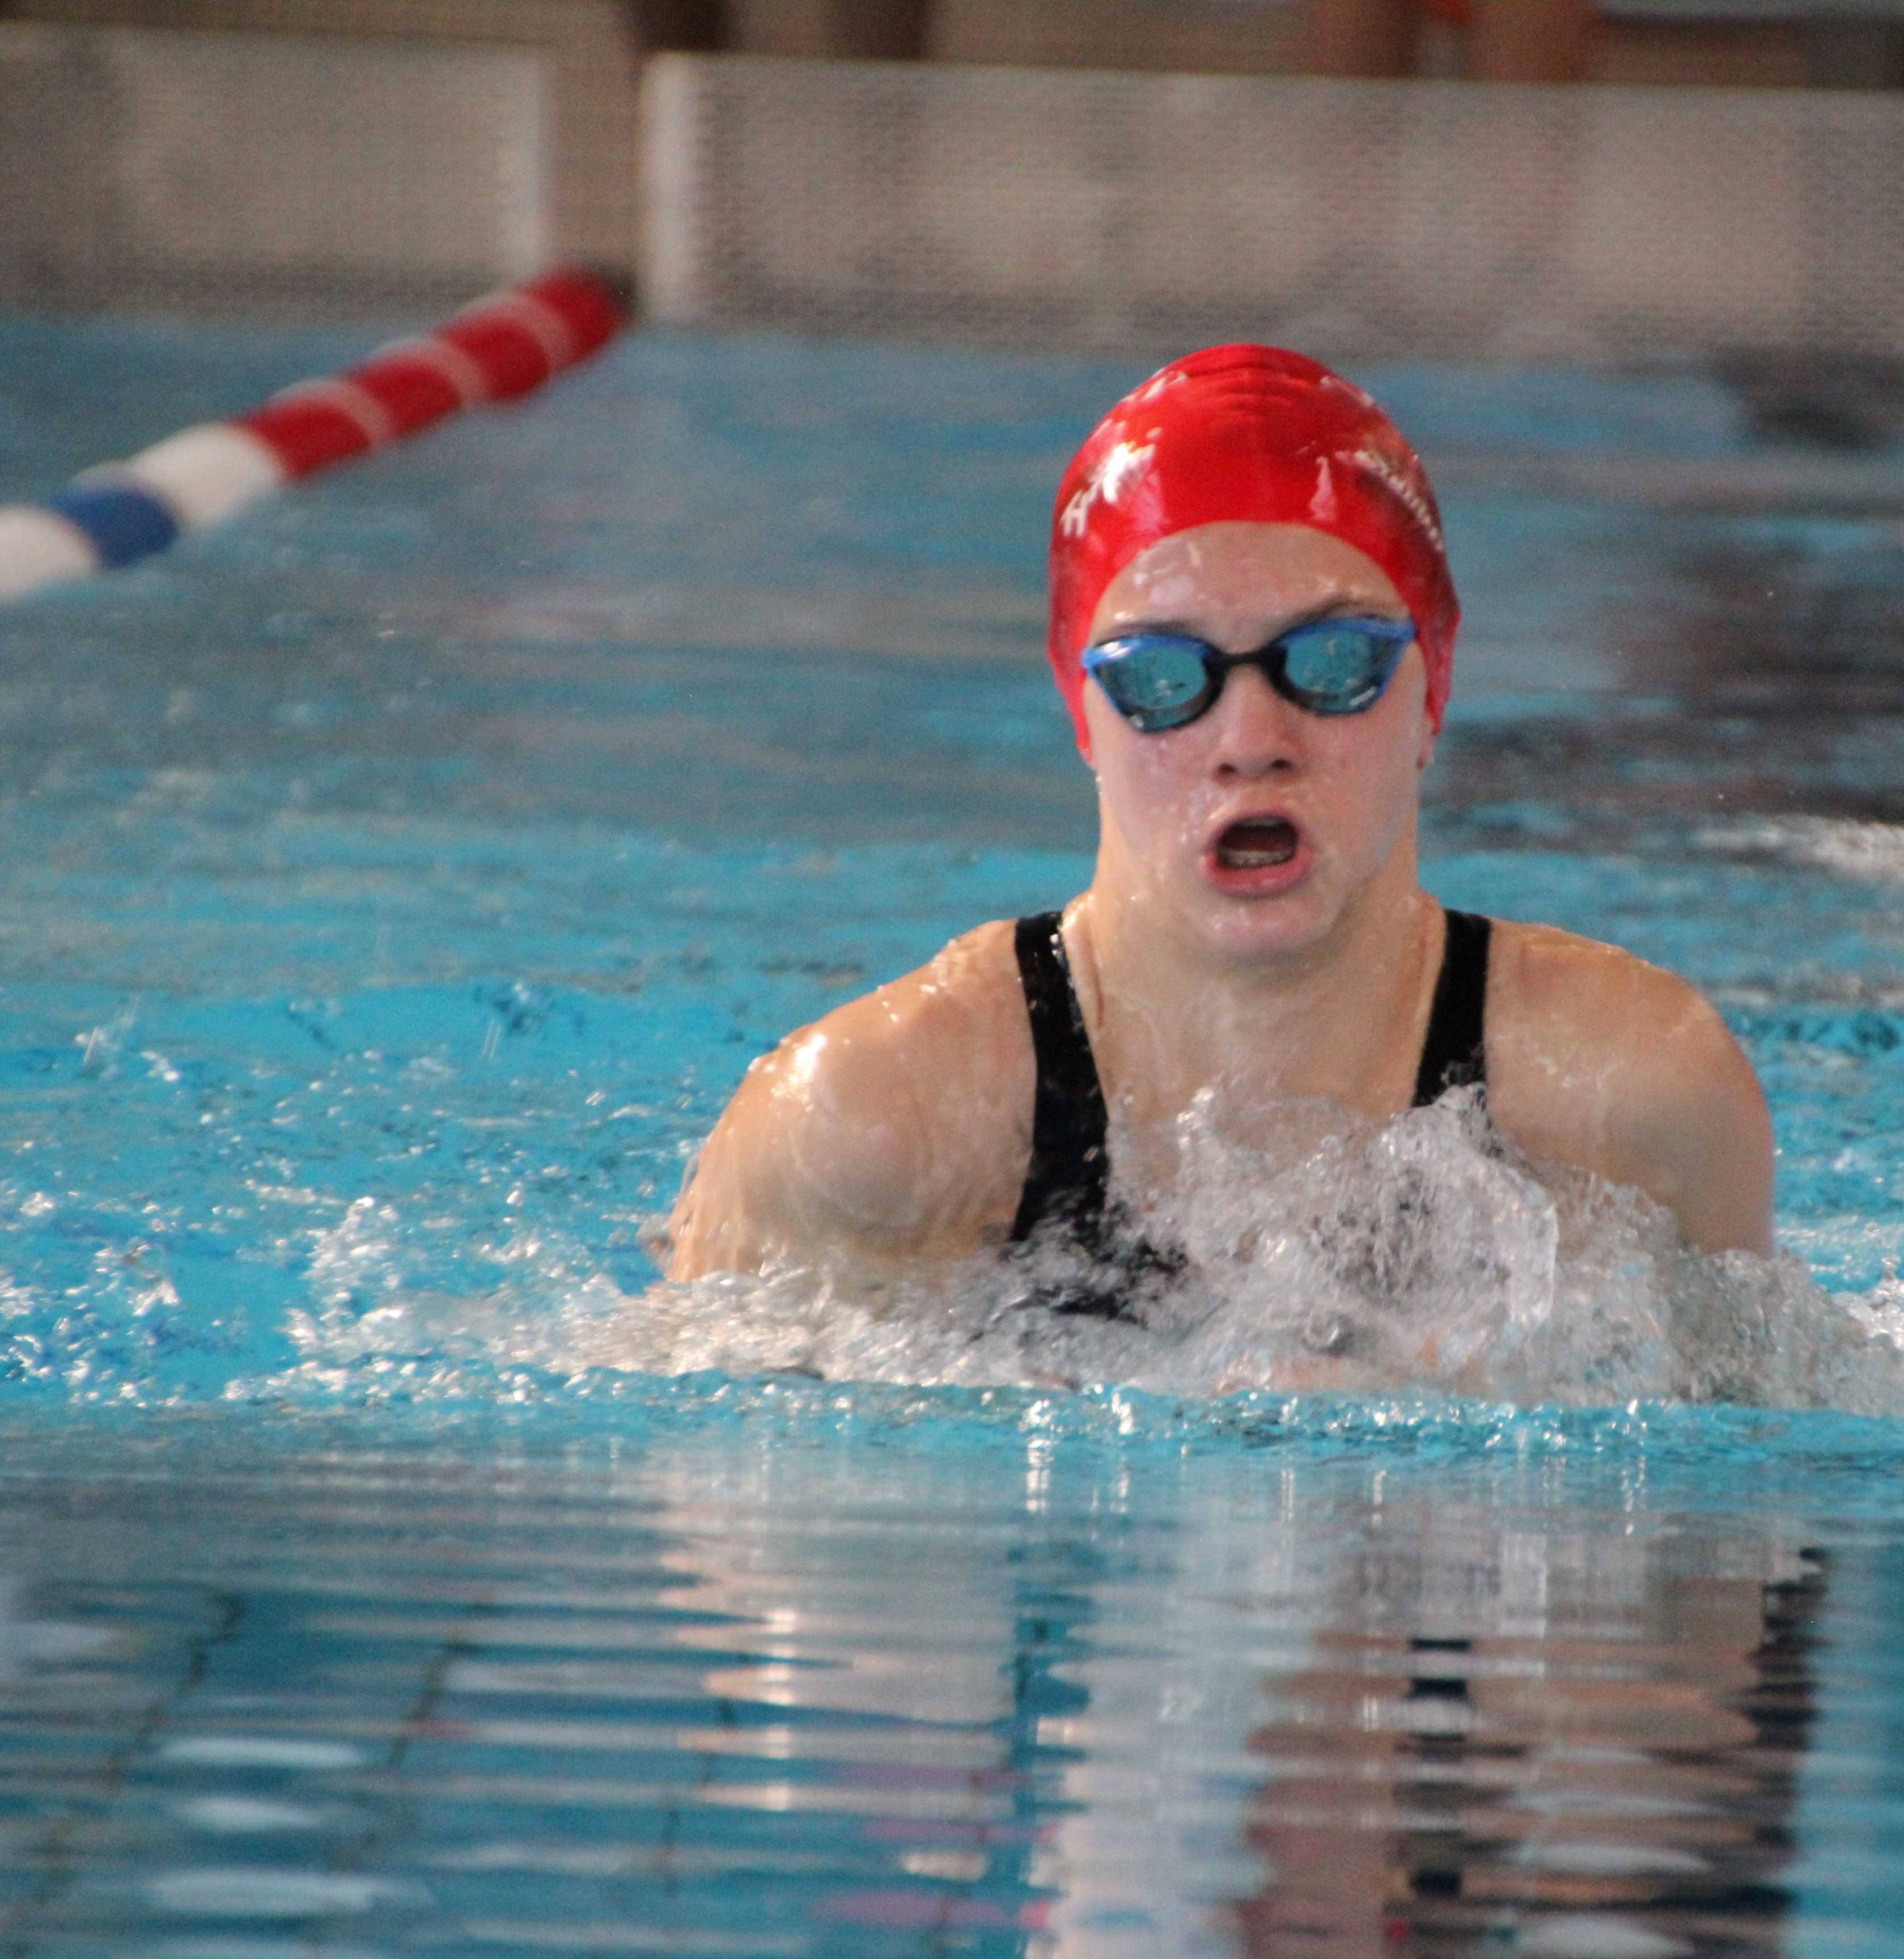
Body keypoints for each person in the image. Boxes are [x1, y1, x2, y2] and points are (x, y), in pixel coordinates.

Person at [660, 345, 1770, 1315]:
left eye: (1332, 664)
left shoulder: (1635, 1100)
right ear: (1080, 710)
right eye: (1162, 675)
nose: (1250, 736)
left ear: (1432, 689)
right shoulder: (870, 1128)